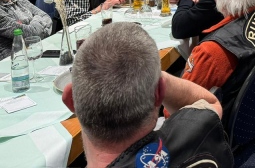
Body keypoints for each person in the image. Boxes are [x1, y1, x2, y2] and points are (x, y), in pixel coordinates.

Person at [61, 22, 233, 168]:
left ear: (71, 101)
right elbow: (211, 103)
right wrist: (153, 77)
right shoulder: (193, 134)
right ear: (159, 93)